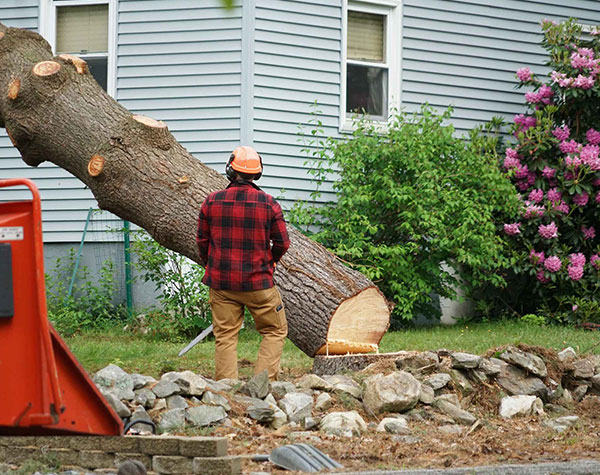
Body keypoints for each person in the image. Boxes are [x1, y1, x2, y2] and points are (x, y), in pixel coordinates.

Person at [197, 146, 290, 381]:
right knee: (274, 330)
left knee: (225, 336)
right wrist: (272, 261)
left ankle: (225, 391)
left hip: (221, 284)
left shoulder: (211, 201)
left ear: (230, 169)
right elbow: (282, 243)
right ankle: (263, 386)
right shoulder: (269, 204)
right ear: (257, 173)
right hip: (259, 283)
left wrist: (212, 264)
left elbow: (202, 241)